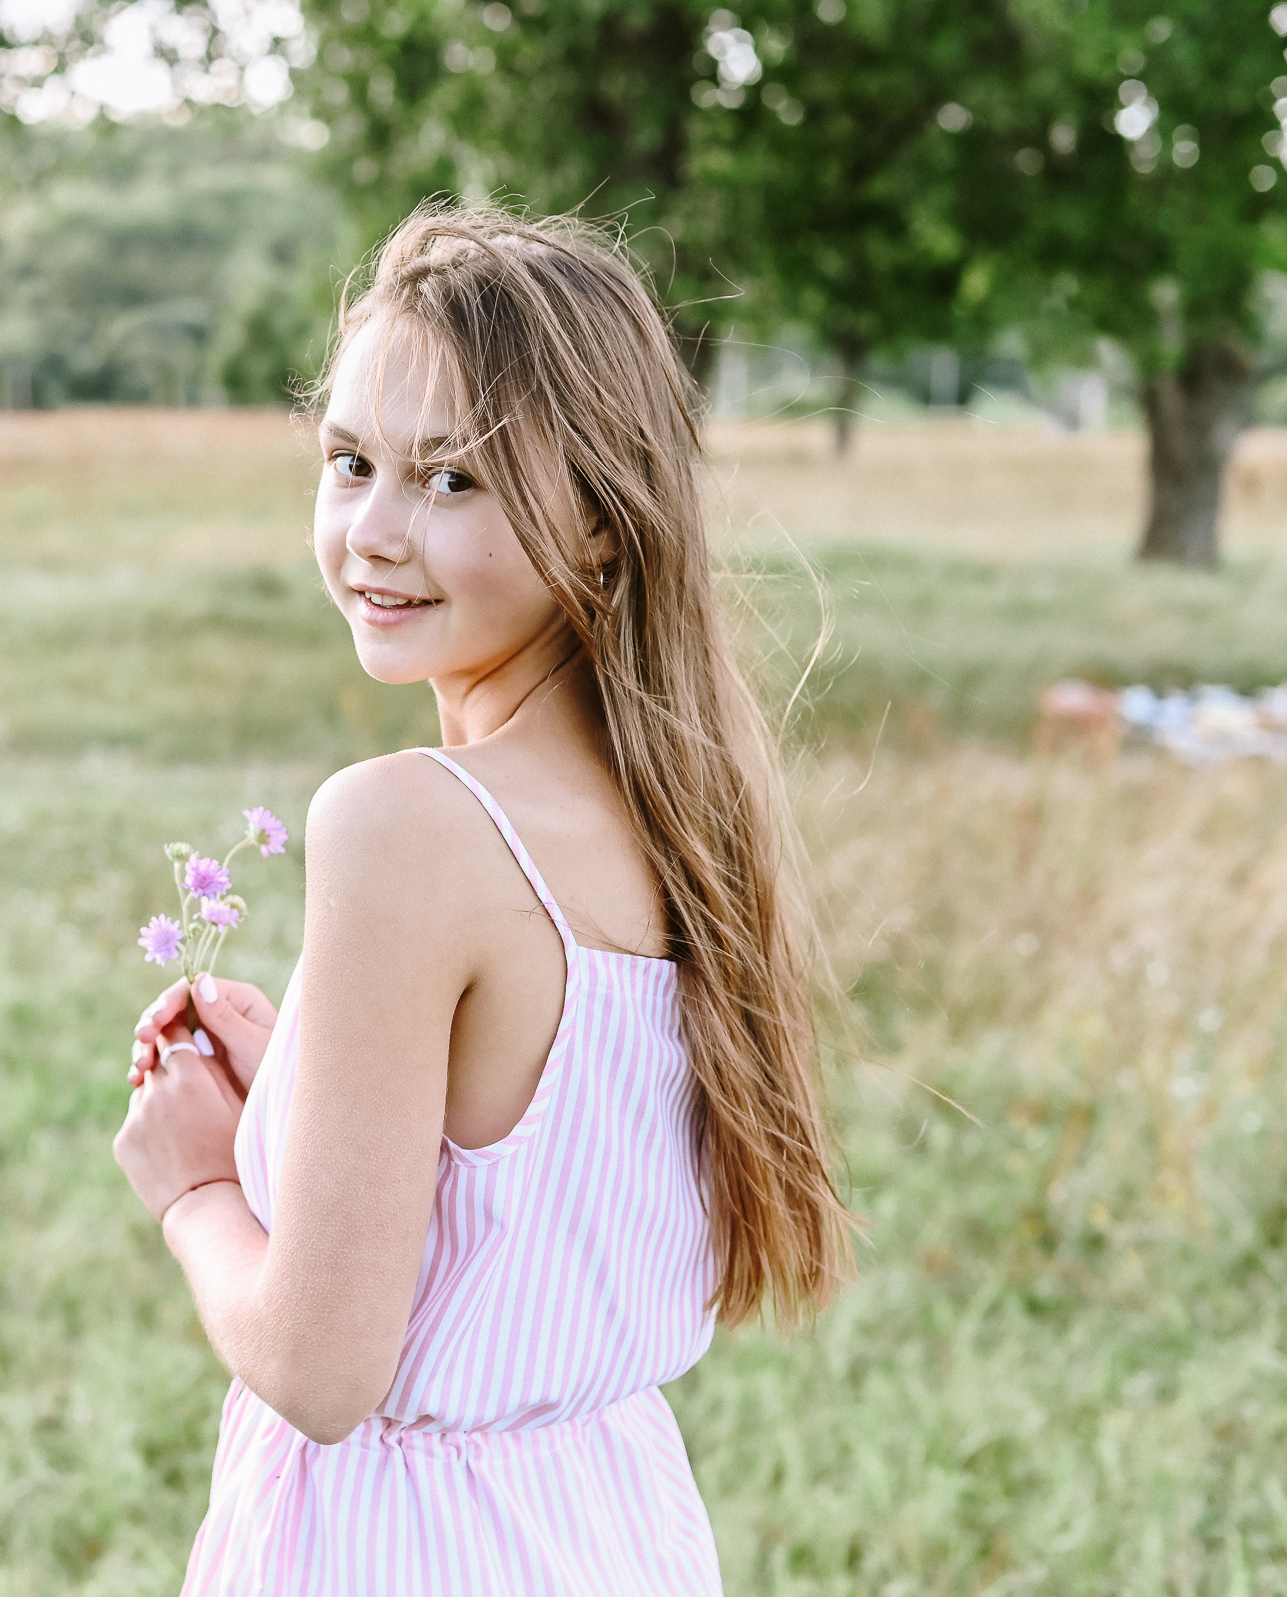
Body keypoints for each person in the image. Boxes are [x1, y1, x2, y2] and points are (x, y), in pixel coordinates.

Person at [112, 205, 856, 1594]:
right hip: (614, 1527)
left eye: (453, 481)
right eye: (351, 463)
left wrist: (200, 1180)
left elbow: (324, 1371)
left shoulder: (407, 824)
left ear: (601, 516)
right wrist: (308, 1098)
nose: (374, 533)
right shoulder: (691, 813)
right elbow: (533, 1189)